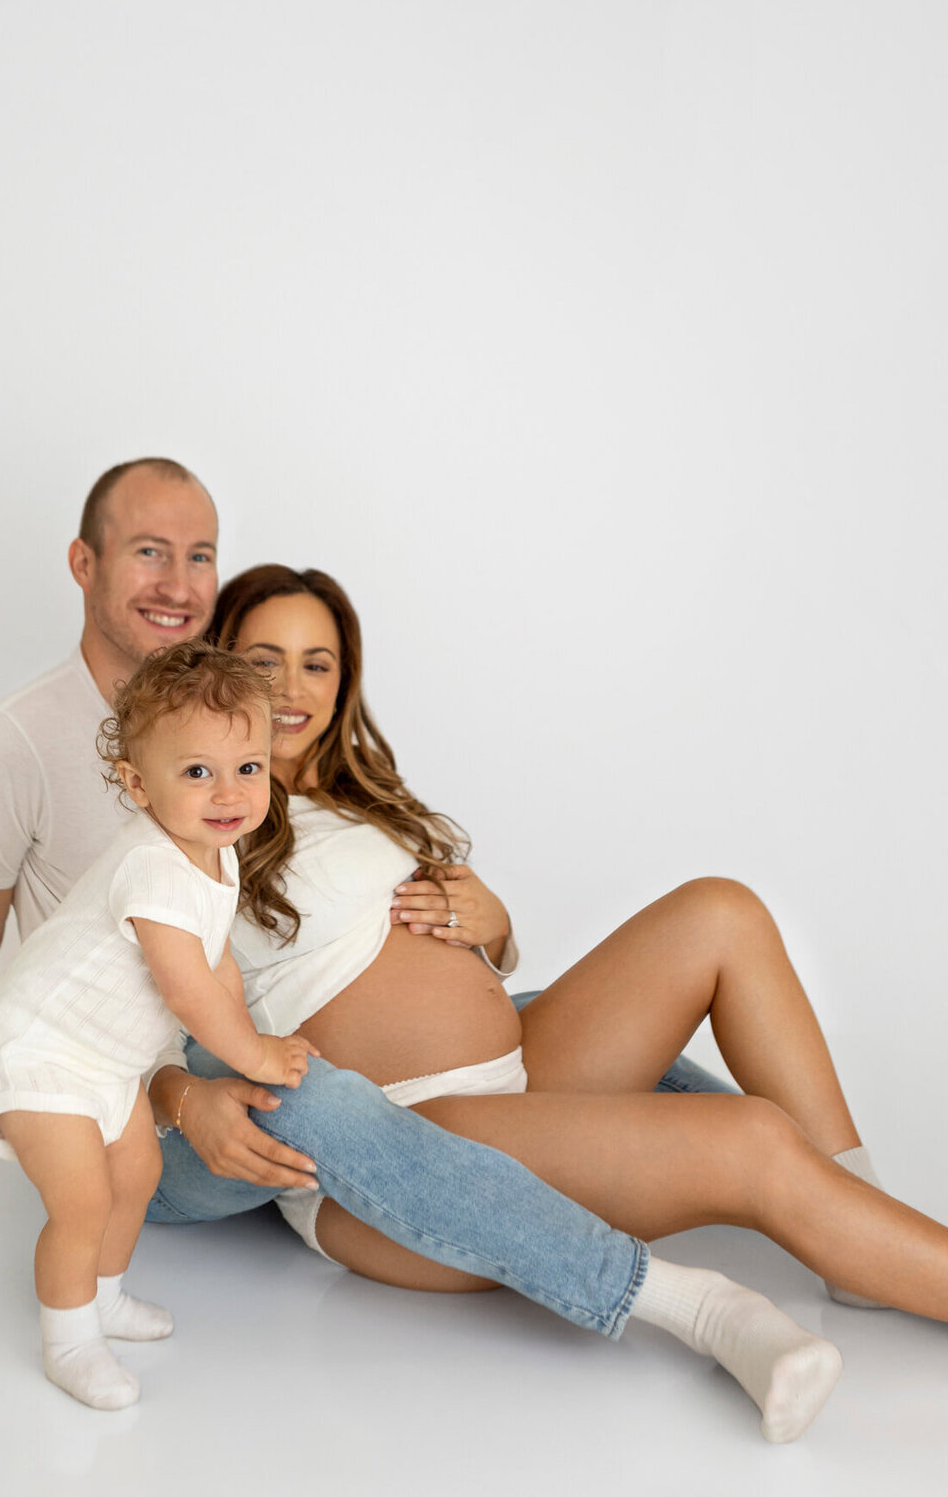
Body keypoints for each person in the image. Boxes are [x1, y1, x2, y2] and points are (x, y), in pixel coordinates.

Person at [0, 456, 702, 1353]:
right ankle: (649, 1280)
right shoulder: (8, 745)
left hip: (267, 1059)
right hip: (137, 1101)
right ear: (84, 564)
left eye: (201, 556)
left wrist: (484, 935)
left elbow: (274, 944)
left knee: (544, 1028)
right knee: (309, 1095)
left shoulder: (241, 735)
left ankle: (769, 1176)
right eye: (150, 552)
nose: (179, 583)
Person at [197, 561, 948, 1441]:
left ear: (344, 680)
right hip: (406, 1142)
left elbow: (459, 956)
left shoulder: (360, 800)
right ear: (216, 665)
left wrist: (498, 926)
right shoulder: (203, 817)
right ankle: (879, 1244)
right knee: (748, 1139)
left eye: (317, 663)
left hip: (510, 1071)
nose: (293, 687)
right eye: (263, 660)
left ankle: (861, 1228)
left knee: (722, 912)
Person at [0, 642, 313, 1408]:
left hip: (108, 1059)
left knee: (138, 1176)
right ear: (137, 784)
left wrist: (252, 1032)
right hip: (41, 1053)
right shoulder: (153, 865)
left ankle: (106, 1295)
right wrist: (253, 1053)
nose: (228, 793)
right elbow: (188, 994)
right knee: (82, 1200)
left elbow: (214, 962)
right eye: (196, 772)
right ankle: (69, 1341)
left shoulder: (217, 852)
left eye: (247, 768)